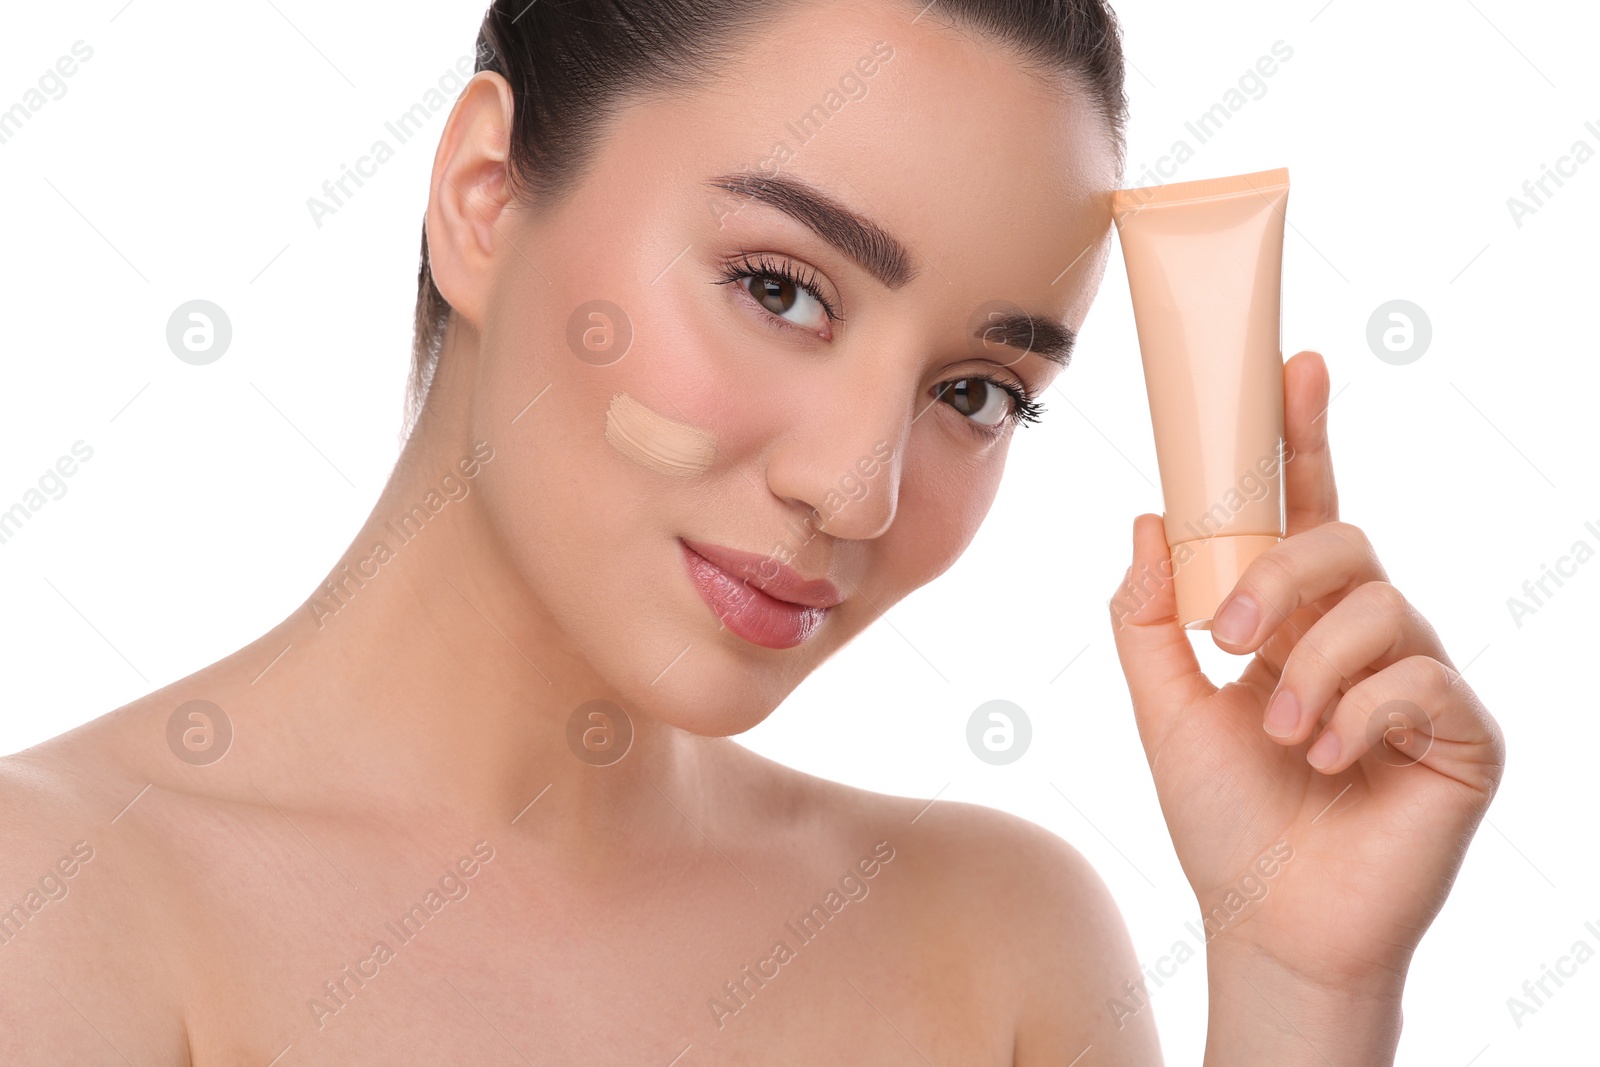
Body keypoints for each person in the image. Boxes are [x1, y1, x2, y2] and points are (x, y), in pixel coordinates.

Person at [0, 0, 1504, 1062]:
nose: (859, 492)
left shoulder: (998, 948)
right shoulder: (64, 910)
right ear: (481, 201)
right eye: (781, 287)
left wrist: (1303, 988)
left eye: (978, 391)